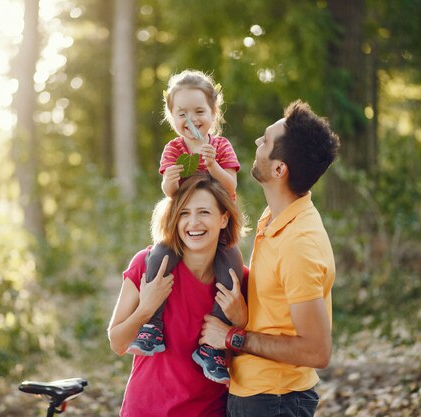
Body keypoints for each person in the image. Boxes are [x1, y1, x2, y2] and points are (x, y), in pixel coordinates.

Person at [199, 100, 341, 417]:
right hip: (254, 394)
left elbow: (316, 350)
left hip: (275, 400)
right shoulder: (276, 218)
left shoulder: (299, 243)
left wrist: (233, 337)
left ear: (279, 169)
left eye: (265, 140)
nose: (256, 143)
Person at [126, 70, 242, 385]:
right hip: (183, 226)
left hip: (216, 227)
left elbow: (231, 185)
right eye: (182, 113)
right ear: (172, 117)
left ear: (213, 113)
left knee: (231, 267)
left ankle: (210, 347)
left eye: (199, 112)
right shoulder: (174, 149)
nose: (191, 119)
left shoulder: (220, 146)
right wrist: (171, 180)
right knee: (158, 256)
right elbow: (168, 191)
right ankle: (154, 325)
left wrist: (214, 165)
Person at [108, 174, 249, 416]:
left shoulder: (240, 281)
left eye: (204, 212)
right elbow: (117, 343)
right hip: (144, 410)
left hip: (207, 411)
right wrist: (146, 308)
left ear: (224, 218)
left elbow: (245, 358)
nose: (193, 222)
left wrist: (240, 321)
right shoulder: (146, 265)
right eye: (184, 213)